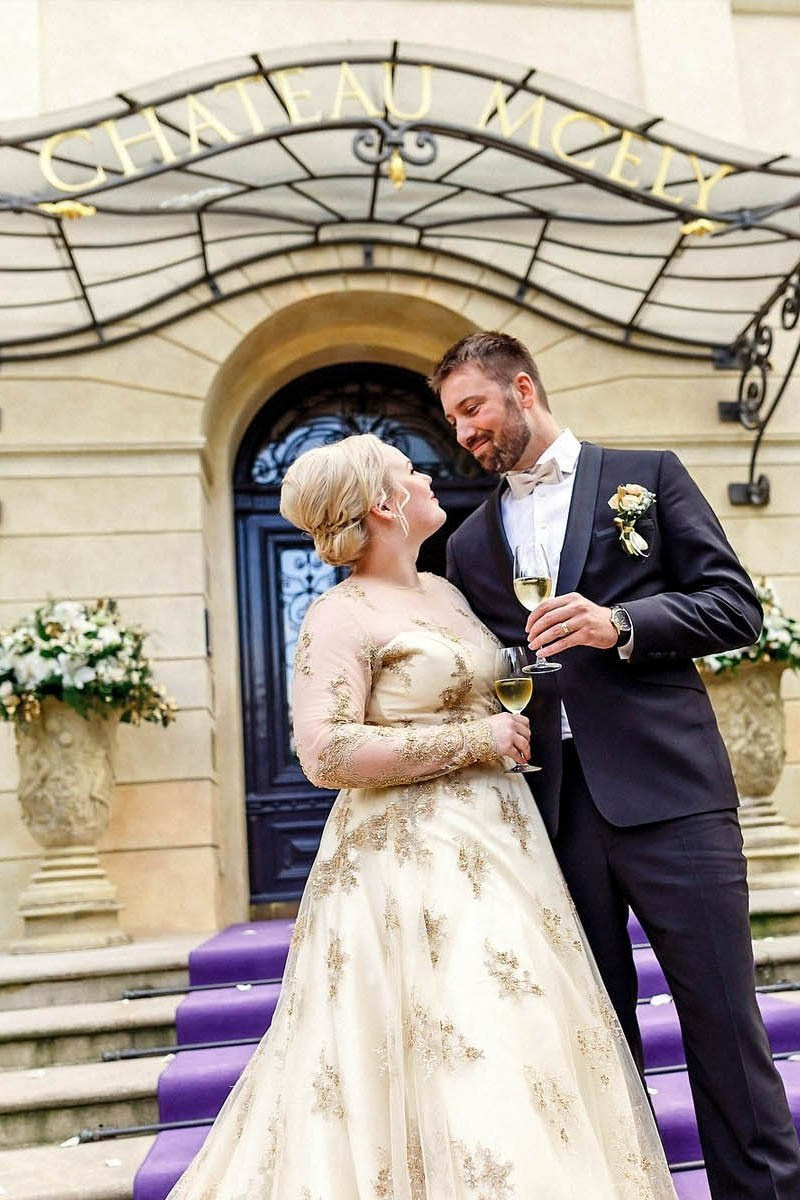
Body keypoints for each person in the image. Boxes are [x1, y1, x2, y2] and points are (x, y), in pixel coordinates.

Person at [166, 432, 676, 1199]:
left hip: (504, 845)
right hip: (407, 863)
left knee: (520, 1029)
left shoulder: (446, 594)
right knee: (457, 1034)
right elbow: (325, 753)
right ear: (382, 502)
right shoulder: (339, 616)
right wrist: (478, 737)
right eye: (411, 472)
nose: (429, 475)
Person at [430, 330, 800, 1200]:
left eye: (473, 409)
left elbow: (734, 607)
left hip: (674, 799)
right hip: (555, 820)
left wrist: (622, 626)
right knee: (596, 1038)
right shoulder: (468, 546)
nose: (464, 434)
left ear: (522, 389)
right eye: (451, 421)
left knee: (722, 1027)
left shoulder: (651, 476)